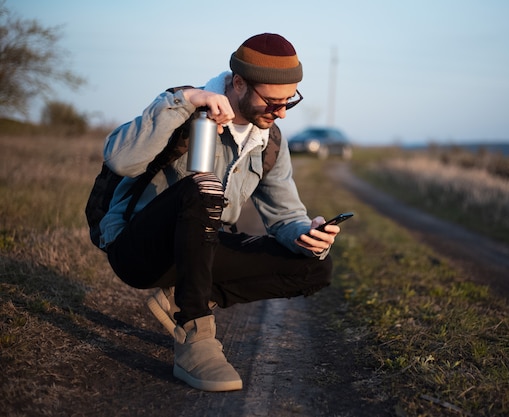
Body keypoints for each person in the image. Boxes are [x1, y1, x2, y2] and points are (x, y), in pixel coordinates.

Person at [99, 33, 341, 392]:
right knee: (202, 186)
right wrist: (188, 100)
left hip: (199, 253)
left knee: (316, 267)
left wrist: (310, 235)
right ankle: (195, 331)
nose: (282, 112)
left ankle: (184, 294)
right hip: (138, 250)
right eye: (272, 101)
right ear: (238, 82)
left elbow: (285, 217)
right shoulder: (182, 109)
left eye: (290, 100)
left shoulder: (270, 141)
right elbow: (120, 159)